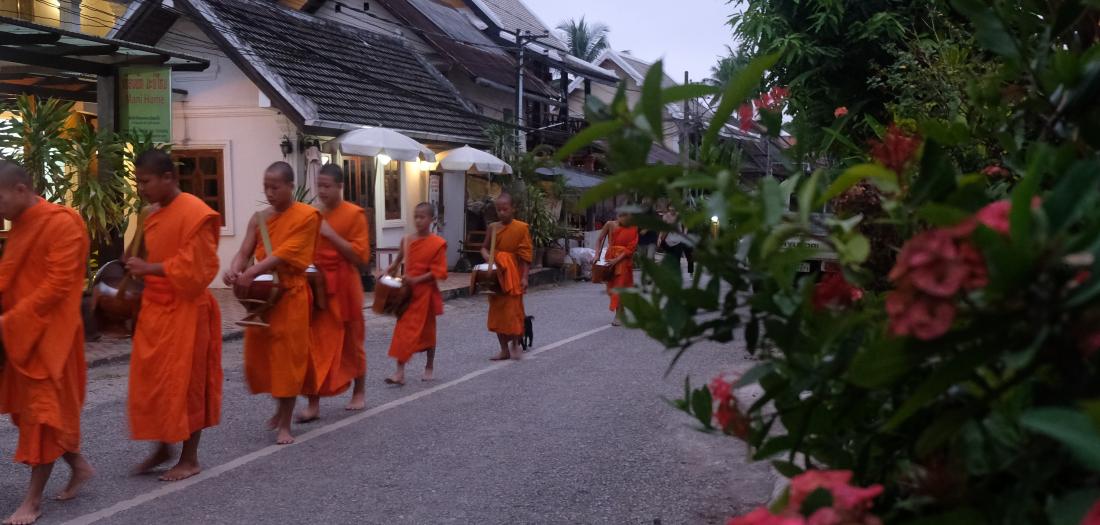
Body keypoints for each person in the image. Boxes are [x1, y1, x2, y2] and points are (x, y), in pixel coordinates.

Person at [0, 161, 94, 525]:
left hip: (53, 337)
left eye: (0, 198)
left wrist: (11, 320)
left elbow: (57, 285)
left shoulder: (62, 223)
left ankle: (32, 501)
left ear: (21, 190)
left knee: (42, 416)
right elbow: (10, 275)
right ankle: (80, 465)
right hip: (22, 336)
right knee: (30, 414)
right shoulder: (22, 224)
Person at [125, 150, 223, 481]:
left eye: (146, 181)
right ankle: (163, 445)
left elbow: (197, 269)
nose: (141, 188)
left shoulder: (197, 214)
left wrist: (149, 267)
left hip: (187, 310)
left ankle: (190, 457)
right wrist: (132, 260)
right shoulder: (151, 212)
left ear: (169, 178)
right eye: (138, 182)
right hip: (155, 310)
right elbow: (142, 253)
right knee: (153, 383)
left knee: (187, 385)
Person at [223, 162, 320, 445]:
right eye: (266, 186)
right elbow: (244, 251)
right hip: (263, 299)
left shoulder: (307, 217)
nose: (269, 192)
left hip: (291, 296)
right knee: (263, 359)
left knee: (287, 360)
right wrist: (233, 269)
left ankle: (285, 425)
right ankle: (280, 409)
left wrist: (251, 271)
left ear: (290, 186)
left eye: (275, 187)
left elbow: (286, 253)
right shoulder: (259, 219)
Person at [297, 164, 370, 422]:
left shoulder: (355, 214)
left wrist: (331, 235)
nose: (323, 191)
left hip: (345, 286)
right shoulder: (313, 215)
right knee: (314, 345)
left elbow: (360, 257)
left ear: (340, 186)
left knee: (352, 342)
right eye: (320, 186)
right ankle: (313, 402)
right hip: (319, 287)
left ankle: (359, 391)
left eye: (328, 186)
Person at [384, 203, 447, 385]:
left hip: (426, 294)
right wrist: (387, 272)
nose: (418, 220)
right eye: (416, 216)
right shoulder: (407, 240)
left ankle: (429, 366)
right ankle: (399, 372)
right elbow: (396, 263)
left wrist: (417, 280)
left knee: (428, 333)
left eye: (423, 217)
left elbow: (439, 272)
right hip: (408, 294)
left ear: (431, 220)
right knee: (402, 330)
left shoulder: (437, 244)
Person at [481, 193, 532, 361]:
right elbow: (484, 248)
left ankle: (516, 343)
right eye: (498, 210)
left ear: (513, 209)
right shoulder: (493, 228)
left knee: (513, 312)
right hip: (497, 275)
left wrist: (524, 278)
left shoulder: (521, 228)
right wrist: (491, 259)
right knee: (497, 313)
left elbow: (525, 256)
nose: (501, 213)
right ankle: (503, 349)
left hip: (513, 276)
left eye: (505, 209)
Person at [594, 211, 639, 326]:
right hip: (610, 258)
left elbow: (631, 248)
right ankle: (621, 310)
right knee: (611, 288)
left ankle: (618, 315)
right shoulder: (610, 224)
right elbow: (599, 240)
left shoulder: (633, 228)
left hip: (623, 260)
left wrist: (617, 260)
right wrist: (596, 254)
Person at [660, 207, 694, 275]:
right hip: (669, 241)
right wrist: (660, 238)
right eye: (671, 209)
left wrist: (684, 234)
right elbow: (662, 228)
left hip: (680, 240)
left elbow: (686, 226)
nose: (673, 211)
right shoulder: (665, 217)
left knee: (688, 256)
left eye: (674, 209)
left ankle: (689, 271)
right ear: (669, 209)